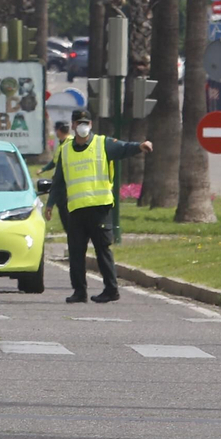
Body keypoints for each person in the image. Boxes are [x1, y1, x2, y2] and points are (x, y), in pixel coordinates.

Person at [44, 109, 151, 304]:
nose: (82, 126)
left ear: (90, 125)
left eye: (86, 122)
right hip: (76, 210)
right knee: (76, 252)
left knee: (102, 250)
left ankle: (111, 290)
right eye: (79, 122)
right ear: (73, 125)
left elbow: (124, 148)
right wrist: (50, 203)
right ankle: (79, 292)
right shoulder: (66, 150)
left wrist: (140, 146)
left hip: (99, 208)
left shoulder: (103, 143)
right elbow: (58, 180)